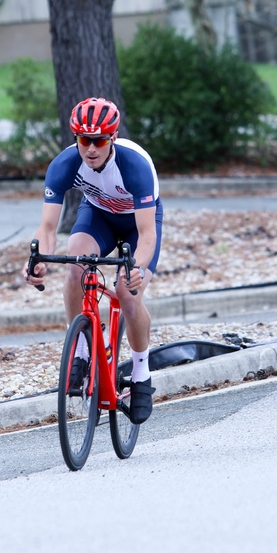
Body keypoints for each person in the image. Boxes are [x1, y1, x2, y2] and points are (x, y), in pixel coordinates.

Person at [23, 96, 162, 424]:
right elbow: (47, 226)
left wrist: (137, 268)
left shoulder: (135, 165)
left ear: (112, 138)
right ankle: (83, 350)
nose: (91, 149)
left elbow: (146, 235)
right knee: (75, 268)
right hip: (98, 214)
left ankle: (141, 374)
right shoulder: (65, 164)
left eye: (99, 140)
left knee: (128, 293)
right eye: (84, 140)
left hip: (137, 223)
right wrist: (38, 260)